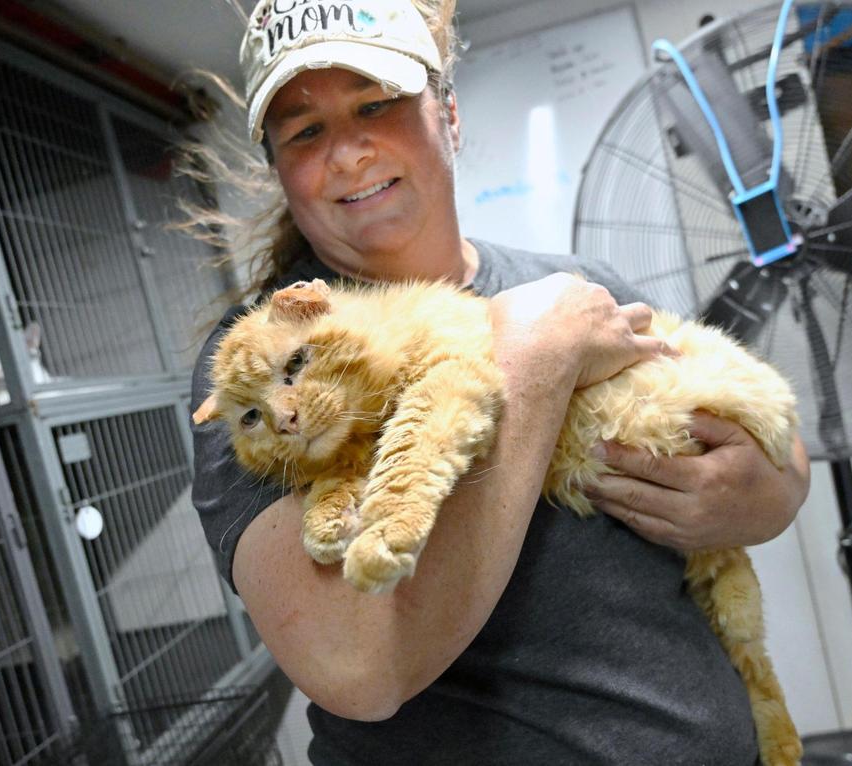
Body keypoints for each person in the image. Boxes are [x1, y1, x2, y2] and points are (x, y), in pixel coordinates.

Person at [190, 0, 810, 762]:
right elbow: (357, 669)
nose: (347, 154)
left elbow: (776, 455)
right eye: (305, 132)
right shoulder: (262, 367)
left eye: (375, 104)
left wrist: (761, 495)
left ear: (446, 113)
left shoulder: (578, 284)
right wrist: (536, 356)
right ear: (280, 170)